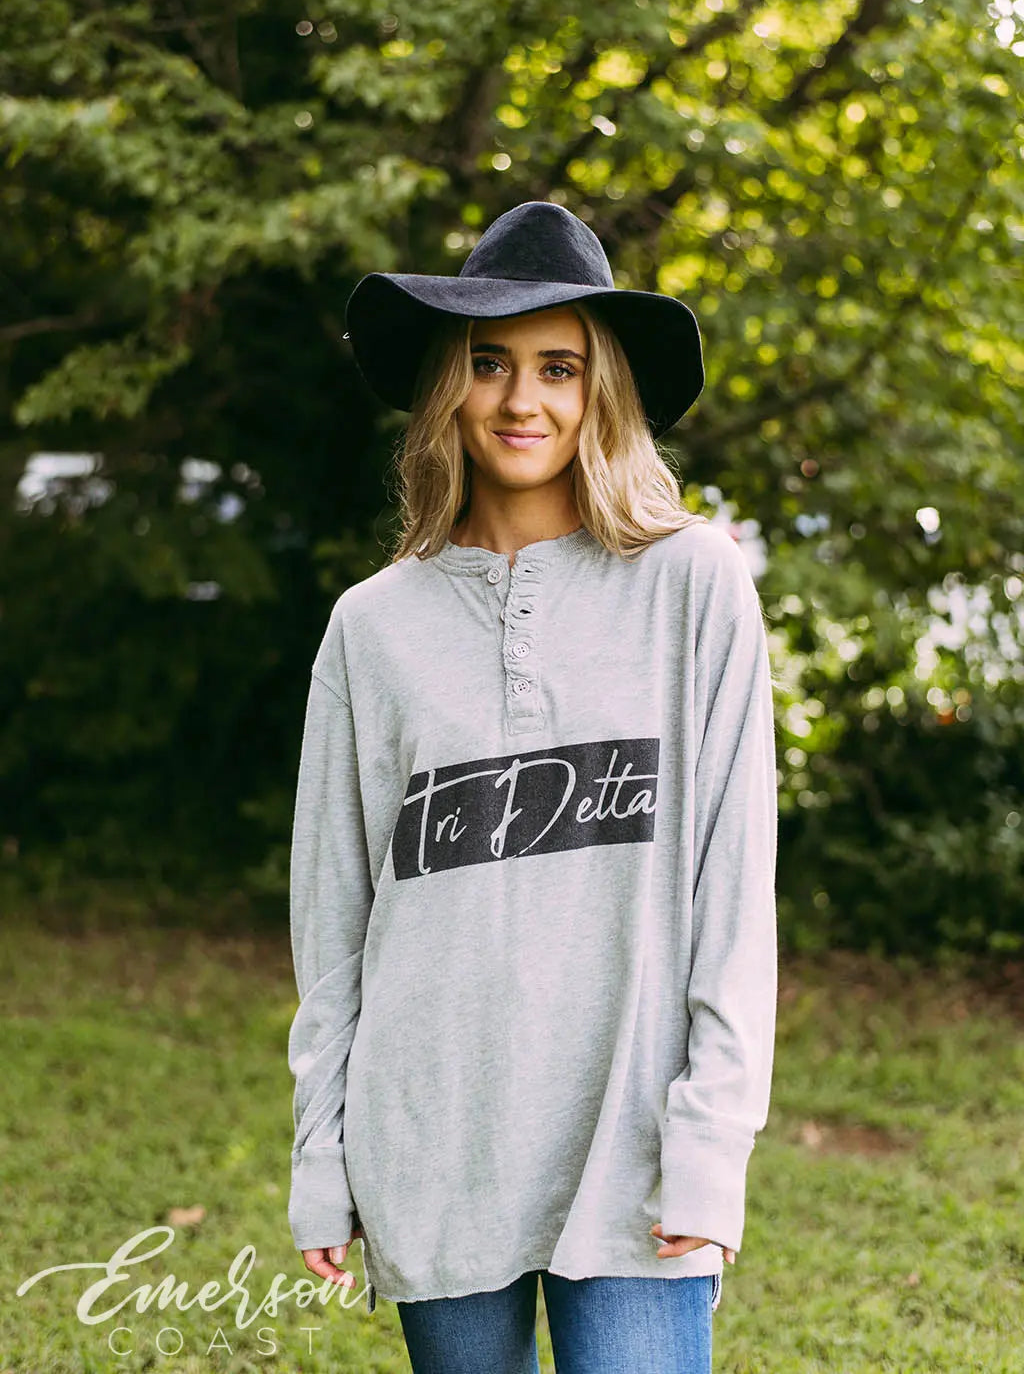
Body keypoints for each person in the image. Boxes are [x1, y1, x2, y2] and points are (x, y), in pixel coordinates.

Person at [285, 202, 779, 1374]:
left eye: (559, 366)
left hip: (634, 1149)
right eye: (489, 363)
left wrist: (710, 1148)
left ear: (601, 389)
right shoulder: (371, 626)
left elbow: (731, 898)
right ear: (445, 389)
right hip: (431, 1140)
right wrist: (322, 1154)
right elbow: (334, 922)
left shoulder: (693, 586)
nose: (522, 400)